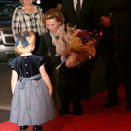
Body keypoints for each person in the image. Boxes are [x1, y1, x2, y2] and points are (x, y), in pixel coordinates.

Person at [8, 31, 55, 131]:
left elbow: (14, 79)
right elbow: (44, 75)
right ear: (33, 44)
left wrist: (14, 91)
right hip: (37, 86)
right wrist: (50, 87)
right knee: (36, 105)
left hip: (21, 87)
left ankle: (23, 124)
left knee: (23, 105)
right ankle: (36, 125)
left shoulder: (15, 61)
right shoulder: (38, 59)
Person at [42, 8, 83, 116]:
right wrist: (64, 54)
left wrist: (73, 51)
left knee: (74, 84)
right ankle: (64, 108)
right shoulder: (47, 36)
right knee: (61, 87)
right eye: (47, 25)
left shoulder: (69, 31)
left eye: (53, 25)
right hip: (60, 63)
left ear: (60, 22)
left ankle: (77, 107)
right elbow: (54, 57)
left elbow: (79, 45)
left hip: (74, 62)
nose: (50, 28)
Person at [95, 0, 131, 110]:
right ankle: (112, 98)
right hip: (107, 35)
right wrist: (102, 18)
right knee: (110, 67)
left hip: (125, 30)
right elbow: (94, 9)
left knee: (127, 66)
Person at [62, 0, 98, 100]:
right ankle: (75, 92)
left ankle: (86, 91)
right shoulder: (66, 2)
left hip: (86, 39)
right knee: (73, 64)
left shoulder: (90, 2)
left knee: (86, 65)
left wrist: (90, 37)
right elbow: (64, 19)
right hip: (71, 39)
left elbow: (94, 19)